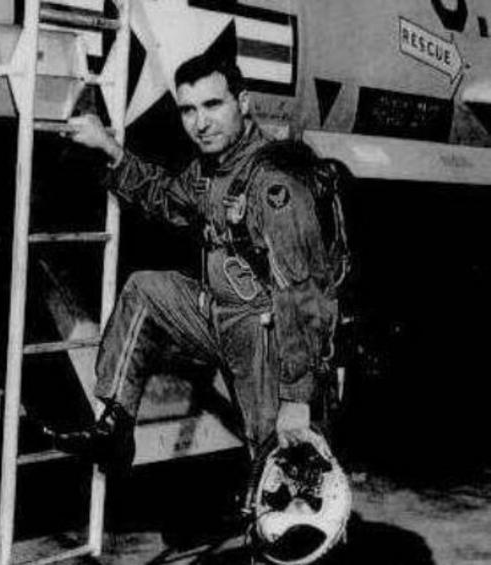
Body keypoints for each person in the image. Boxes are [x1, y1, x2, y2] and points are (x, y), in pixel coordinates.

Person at [46, 52, 336, 472]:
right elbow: (166, 197)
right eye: (188, 110)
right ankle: (116, 428)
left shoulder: (275, 182)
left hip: (266, 333)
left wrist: (297, 397)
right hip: (218, 315)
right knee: (145, 290)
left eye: (213, 105)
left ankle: (286, 503)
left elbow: (305, 294)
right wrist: (110, 148)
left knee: (278, 462)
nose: (201, 123)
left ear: (244, 103)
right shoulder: (210, 171)